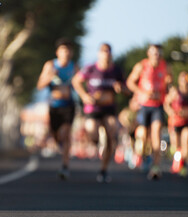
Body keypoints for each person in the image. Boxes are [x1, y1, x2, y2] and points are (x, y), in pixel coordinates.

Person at [72, 43, 129, 183]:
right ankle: (96, 142)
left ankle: (103, 170)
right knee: (92, 130)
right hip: (93, 109)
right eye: (103, 51)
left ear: (111, 54)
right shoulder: (90, 69)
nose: (106, 54)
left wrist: (120, 88)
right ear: (99, 54)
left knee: (112, 131)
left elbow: (128, 90)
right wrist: (84, 96)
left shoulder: (116, 70)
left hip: (109, 108)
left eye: (108, 52)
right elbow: (76, 81)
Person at [126, 44, 172, 180]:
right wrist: (142, 92)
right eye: (153, 53)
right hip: (144, 106)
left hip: (158, 105)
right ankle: (143, 156)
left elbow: (169, 83)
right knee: (144, 136)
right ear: (148, 53)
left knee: (156, 134)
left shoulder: (166, 67)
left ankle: (156, 166)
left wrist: (168, 89)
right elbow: (130, 82)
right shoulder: (141, 66)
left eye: (158, 53)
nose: (156, 55)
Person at [37, 38, 78, 180]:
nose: (66, 53)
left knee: (66, 134)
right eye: (63, 50)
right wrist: (50, 76)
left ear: (71, 53)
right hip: (54, 106)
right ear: (58, 52)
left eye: (68, 50)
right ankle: (59, 143)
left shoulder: (74, 67)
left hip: (69, 105)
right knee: (57, 136)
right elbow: (40, 85)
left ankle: (65, 166)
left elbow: (80, 85)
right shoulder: (50, 66)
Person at [164, 71, 188, 177]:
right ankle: (177, 162)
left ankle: (183, 165)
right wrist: (171, 112)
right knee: (176, 146)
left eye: (186, 81)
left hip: (187, 122)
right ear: (179, 81)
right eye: (183, 80)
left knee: (186, 141)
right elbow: (166, 103)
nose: (185, 83)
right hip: (175, 122)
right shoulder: (175, 92)